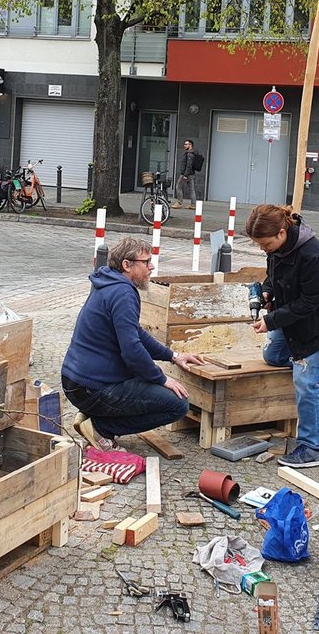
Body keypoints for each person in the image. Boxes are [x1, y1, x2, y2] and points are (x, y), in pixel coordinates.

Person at [61, 237, 205, 449]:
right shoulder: (123, 292)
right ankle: (102, 427)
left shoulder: (108, 284)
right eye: (146, 262)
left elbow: (135, 334)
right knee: (178, 405)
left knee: (142, 379)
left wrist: (172, 356)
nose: (152, 266)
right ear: (126, 265)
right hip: (93, 388)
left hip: (78, 382)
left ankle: (94, 415)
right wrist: (161, 378)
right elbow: (132, 350)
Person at [246, 203, 319, 469]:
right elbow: (273, 276)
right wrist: (268, 292)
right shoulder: (277, 248)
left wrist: (270, 321)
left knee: (304, 379)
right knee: (273, 355)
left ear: (282, 233)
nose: (263, 249)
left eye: (265, 244)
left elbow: (310, 303)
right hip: (296, 317)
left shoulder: (311, 253)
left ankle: (311, 447)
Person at [171, 139, 201, 210]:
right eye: (184, 144)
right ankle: (193, 205)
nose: (184, 145)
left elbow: (189, 166)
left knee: (178, 186)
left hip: (186, 174)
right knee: (192, 189)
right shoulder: (192, 153)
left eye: (186, 144)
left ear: (190, 145)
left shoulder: (190, 154)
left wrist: (185, 175)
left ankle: (179, 203)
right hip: (191, 174)